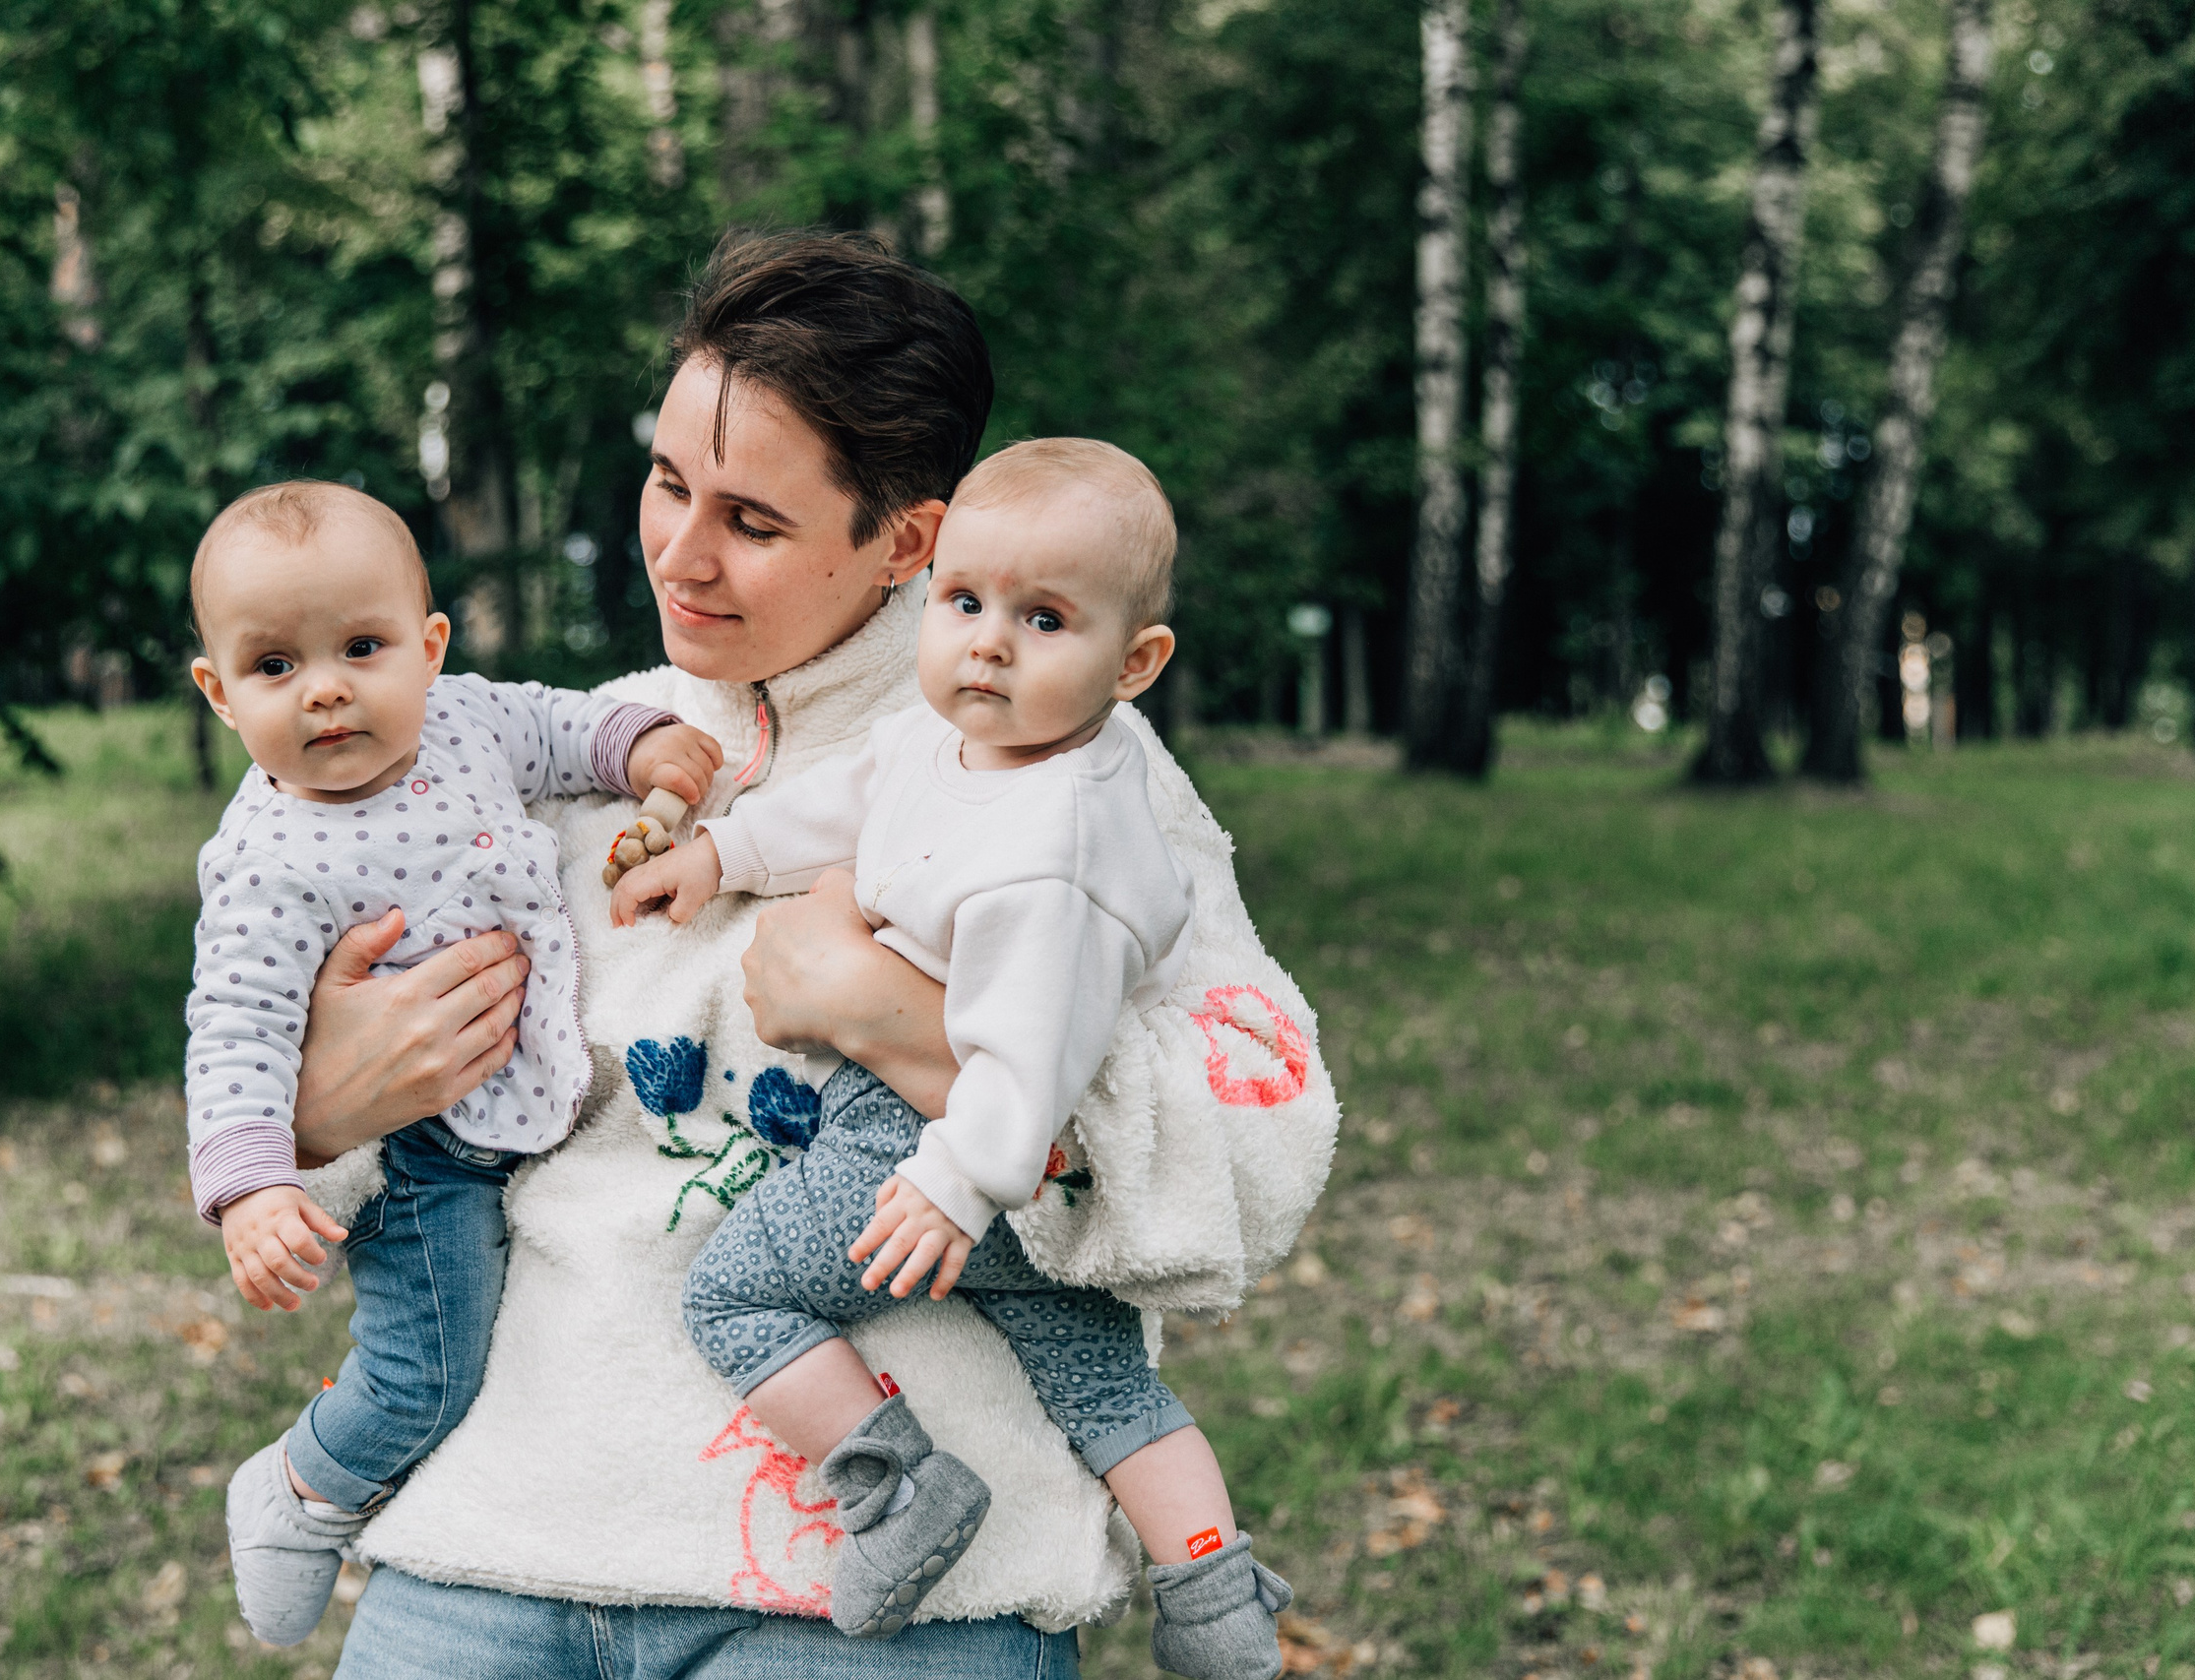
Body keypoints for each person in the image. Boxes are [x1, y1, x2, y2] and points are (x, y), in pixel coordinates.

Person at [277, 231, 1339, 1680]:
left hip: (897, 1597)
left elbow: (1260, 1150)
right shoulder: (547, 756)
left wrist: (904, 1022)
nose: (678, 552)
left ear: (907, 539)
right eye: (665, 484)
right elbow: (290, 1100)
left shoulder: (1073, 775)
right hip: (503, 1539)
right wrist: (319, 1108)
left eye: (752, 521)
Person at [613, 437, 1286, 1679]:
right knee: (1103, 1387)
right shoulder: (957, 740)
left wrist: (952, 1185)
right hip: (1005, 1175)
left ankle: (901, 1492)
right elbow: (848, 803)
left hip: (931, 1147)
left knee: (738, 1293)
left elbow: (1031, 1060)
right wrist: (719, 855)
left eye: (1042, 619)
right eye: (965, 603)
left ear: (1134, 664)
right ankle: (1211, 1585)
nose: (986, 643)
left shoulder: (1059, 849)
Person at [178, 479, 721, 1643]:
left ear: (428, 650)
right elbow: (234, 1031)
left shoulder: (465, 717)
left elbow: (558, 727)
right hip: (421, 1157)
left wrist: (641, 742)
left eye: (361, 648)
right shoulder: (270, 861)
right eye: (275, 668)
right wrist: (252, 1184)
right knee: (428, 1369)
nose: (325, 688)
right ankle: (302, 1488)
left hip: (520, 1113)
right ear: (220, 695)